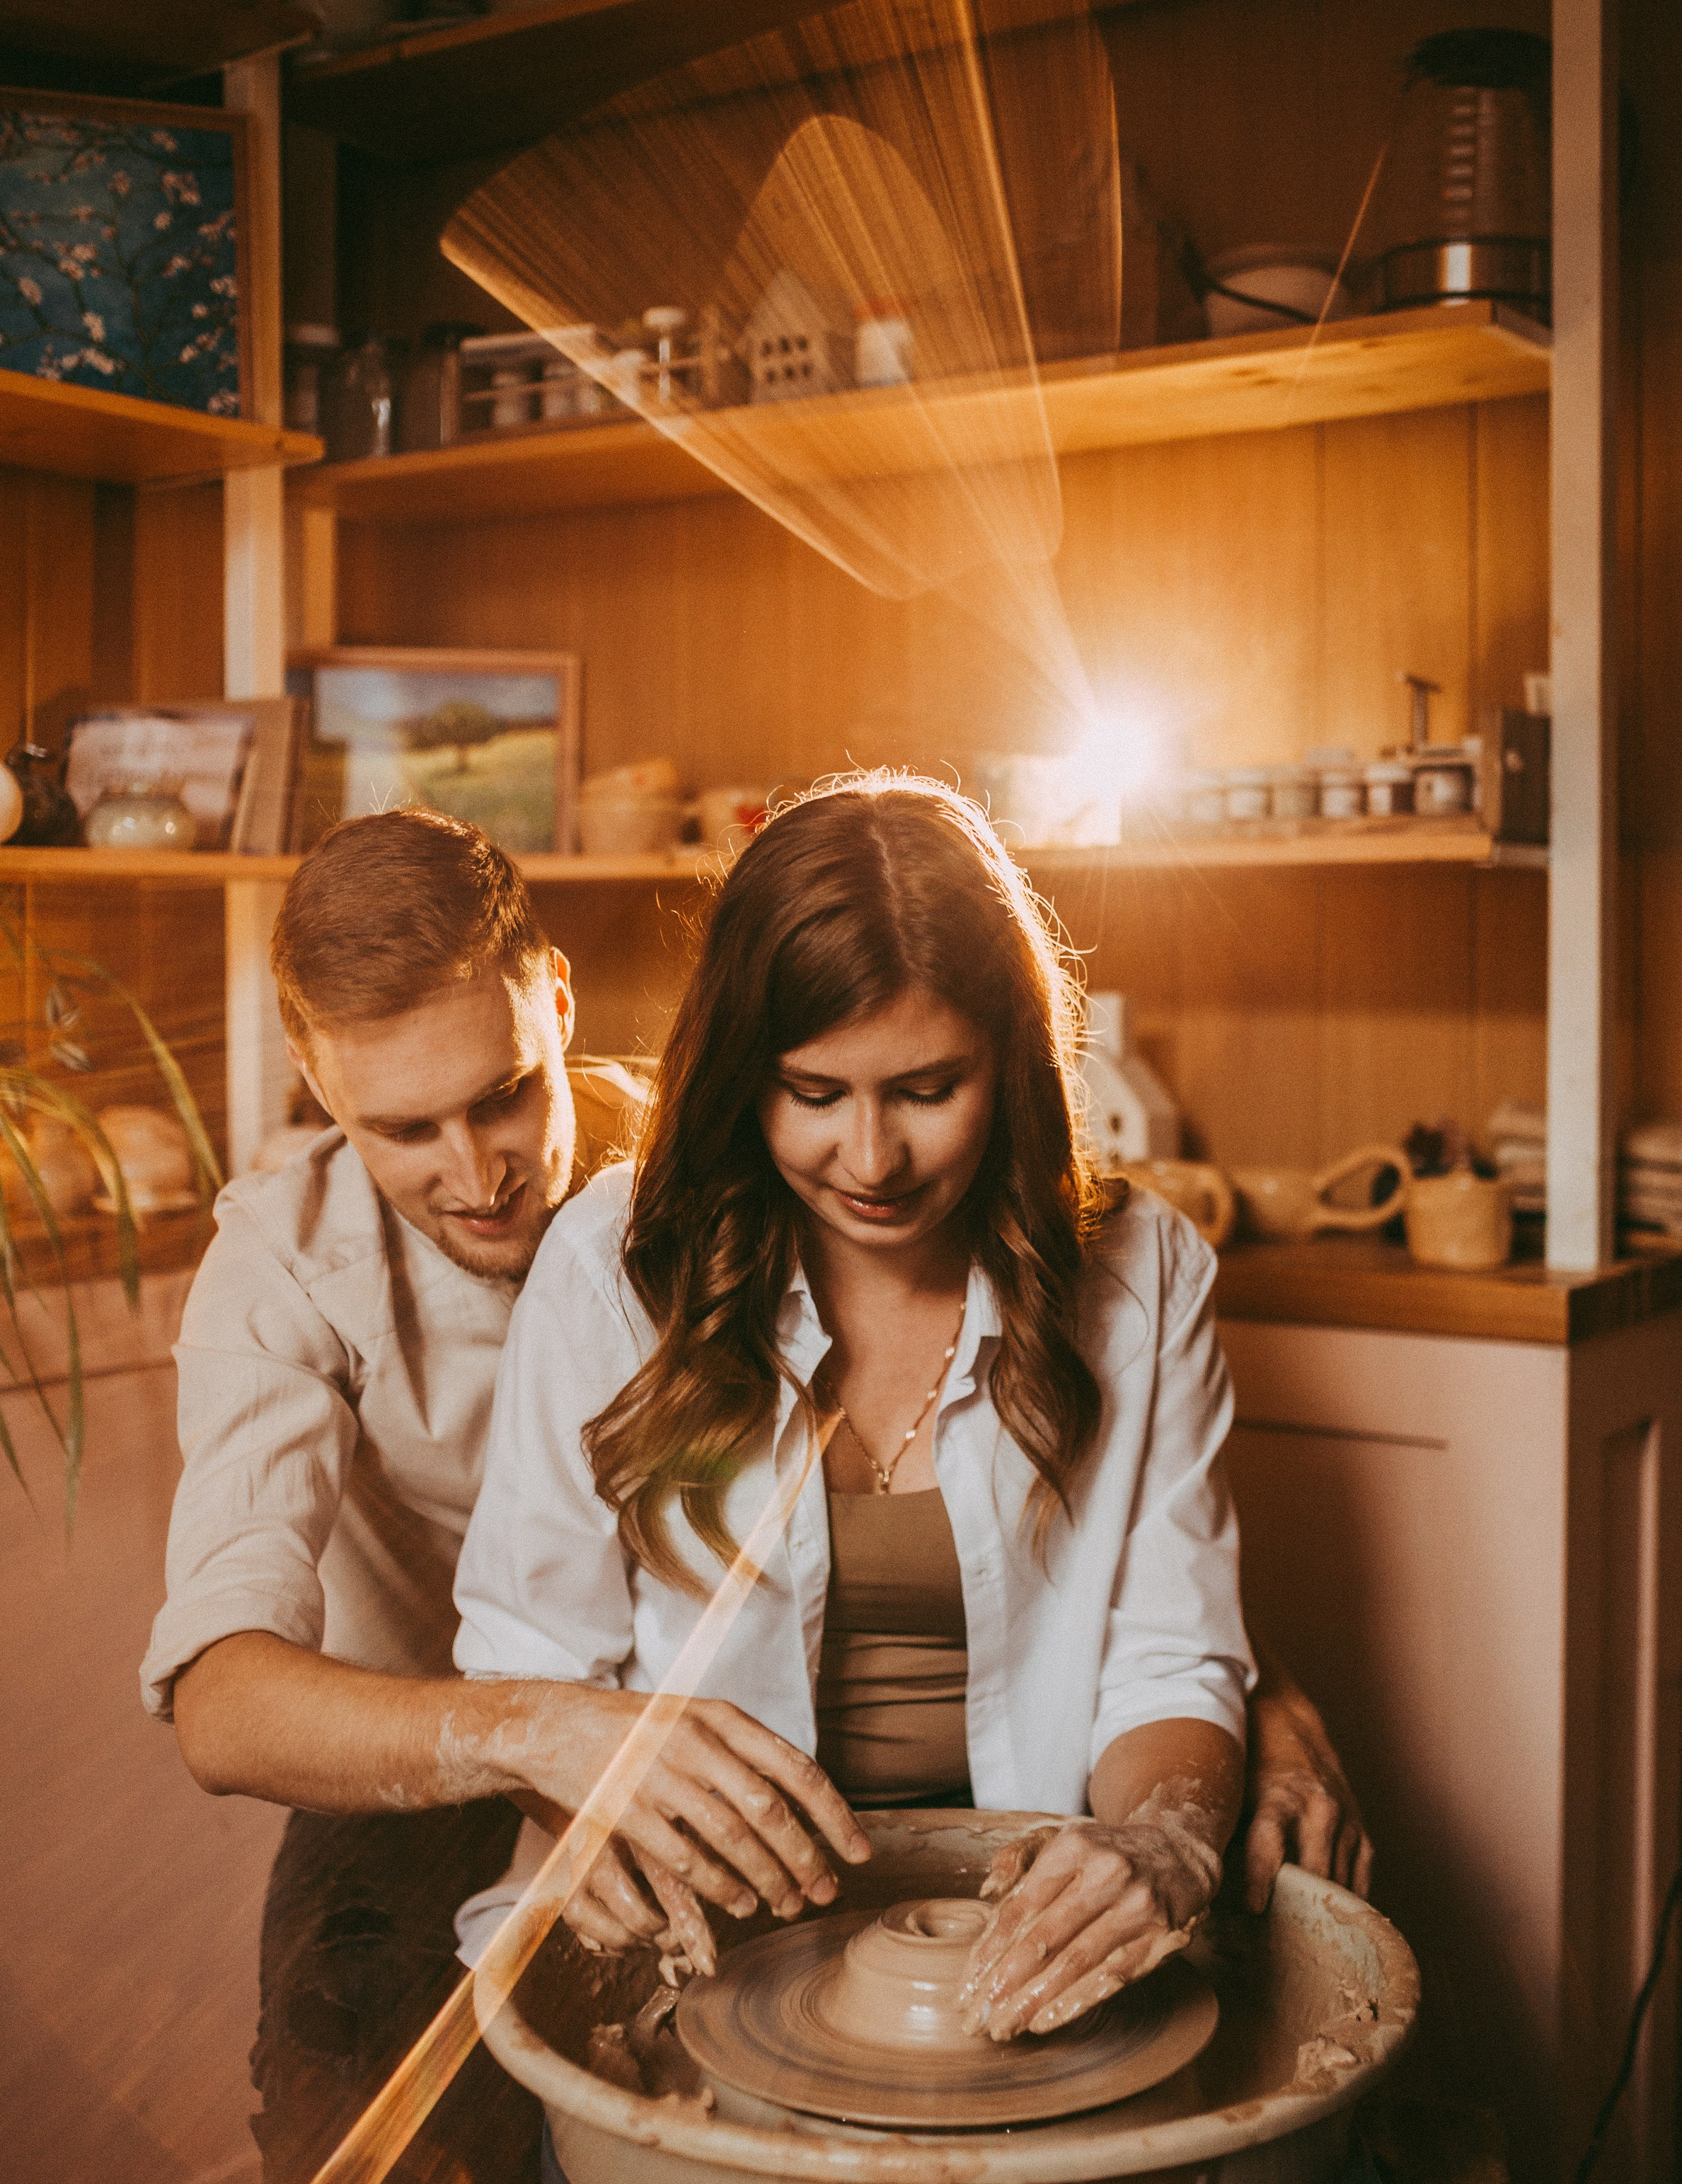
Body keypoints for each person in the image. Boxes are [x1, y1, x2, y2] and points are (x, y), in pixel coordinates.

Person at [451, 778, 1371, 2050]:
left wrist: (1156, 1847)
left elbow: (1170, 1656)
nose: (872, 1160)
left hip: (1021, 1919)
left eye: (929, 1089)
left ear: (1015, 1059)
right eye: (814, 1095)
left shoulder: (1142, 1273)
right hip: (699, 1927)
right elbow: (534, 1670)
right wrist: (585, 1822)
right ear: (736, 1077)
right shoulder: (614, 1265)